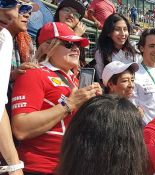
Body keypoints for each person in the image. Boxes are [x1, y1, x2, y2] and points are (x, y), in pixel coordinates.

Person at [10, 22, 102, 174]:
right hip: (40, 168)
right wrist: (69, 104)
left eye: (77, 44)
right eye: (68, 44)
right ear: (47, 47)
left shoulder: (76, 80)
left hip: (72, 165)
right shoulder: (33, 74)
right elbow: (21, 128)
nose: (75, 48)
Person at [0, 1, 24, 174]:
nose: (14, 14)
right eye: (6, 2)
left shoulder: (4, 38)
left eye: (20, 8)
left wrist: (14, 166)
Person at [94, 13, 141, 82]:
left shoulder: (135, 49)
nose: (122, 34)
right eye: (117, 29)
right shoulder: (100, 54)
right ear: (109, 33)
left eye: (125, 29)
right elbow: (102, 81)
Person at [54, 0, 87, 67]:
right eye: (67, 10)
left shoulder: (82, 37)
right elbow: (52, 54)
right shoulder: (47, 30)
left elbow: (81, 60)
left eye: (76, 14)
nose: (71, 15)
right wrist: (75, 35)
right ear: (58, 12)